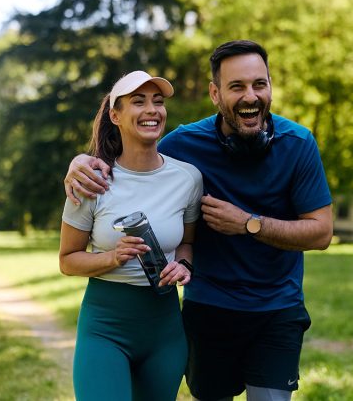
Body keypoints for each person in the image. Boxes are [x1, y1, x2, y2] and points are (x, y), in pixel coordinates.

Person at [64, 40, 333, 401]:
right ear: (215, 93)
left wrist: (248, 223)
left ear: (270, 86)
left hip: (276, 309)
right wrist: (80, 161)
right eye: (236, 86)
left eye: (259, 84)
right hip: (209, 310)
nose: (250, 96)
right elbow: (133, 157)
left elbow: (321, 232)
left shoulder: (297, 144)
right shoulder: (185, 145)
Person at [60, 70, 203, 401]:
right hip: (105, 328)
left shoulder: (188, 179)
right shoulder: (92, 180)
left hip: (164, 330)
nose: (152, 109)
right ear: (115, 115)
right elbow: (67, 260)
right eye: (138, 102)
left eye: (158, 101)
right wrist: (112, 257)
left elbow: (187, 243)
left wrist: (184, 266)